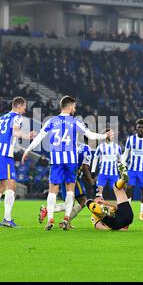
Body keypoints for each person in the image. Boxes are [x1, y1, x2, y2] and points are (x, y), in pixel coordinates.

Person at [22, 96, 112, 230]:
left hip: (56, 160)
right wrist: (105, 136)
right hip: (71, 160)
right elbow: (91, 135)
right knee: (70, 190)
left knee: (53, 190)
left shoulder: (51, 121)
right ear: (69, 107)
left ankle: (50, 220)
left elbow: (40, 136)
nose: (74, 109)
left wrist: (27, 150)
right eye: (74, 107)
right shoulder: (75, 122)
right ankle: (65, 219)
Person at [0, 97, 36, 228]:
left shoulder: (2, 118)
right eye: (24, 107)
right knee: (11, 187)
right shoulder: (17, 117)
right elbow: (15, 131)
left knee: (0, 188)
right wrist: (27, 136)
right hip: (5, 155)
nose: (25, 109)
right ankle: (7, 219)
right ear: (18, 107)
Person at [39, 138, 94, 228]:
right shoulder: (87, 149)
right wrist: (91, 180)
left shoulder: (79, 147)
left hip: (65, 176)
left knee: (69, 204)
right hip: (74, 177)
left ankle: (48, 210)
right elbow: (85, 168)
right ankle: (65, 221)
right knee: (83, 201)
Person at [86, 162, 133, 231]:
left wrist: (105, 202)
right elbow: (98, 226)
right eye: (97, 199)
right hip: (120, 221)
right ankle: (99, 210)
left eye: (100, 198)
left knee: (116, 187)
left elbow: (118, 206)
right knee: (93, 206)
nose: (99, 199)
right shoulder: (94, 215)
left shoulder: (106, 205)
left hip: (124, 217)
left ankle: (123, 180)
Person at [91, 129, 122, 198]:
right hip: (102, 173)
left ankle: (120, 207)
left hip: (114, 173)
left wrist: (122, 171)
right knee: (99, 193)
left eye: (113, 134)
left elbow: (121, 159)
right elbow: (95, 159)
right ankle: (100, 207)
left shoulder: (117, 147)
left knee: (118, 192)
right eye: (110, 134)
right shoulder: (100, 147)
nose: (112, 136)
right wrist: (93, 171)